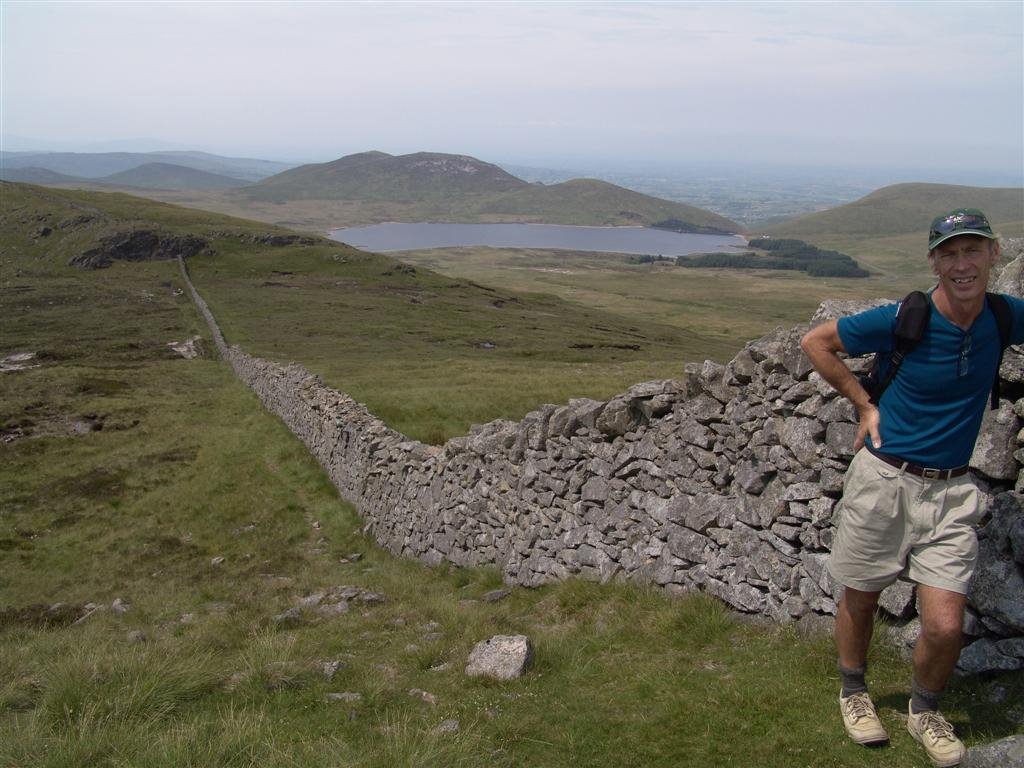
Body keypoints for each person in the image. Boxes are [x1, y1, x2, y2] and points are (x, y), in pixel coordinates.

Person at [800, 208, 1024, 768]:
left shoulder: (1004, 315)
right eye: (949, 254)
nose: (962, 264)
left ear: (995, 255)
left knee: (946, 622)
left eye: (972, 250)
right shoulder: (906, 316)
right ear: (933, 262)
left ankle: (924, 709)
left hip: (952, 491)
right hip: (885, 477)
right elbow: (816, 342)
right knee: (861, 591)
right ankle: (854, 693)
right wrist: (863, 403)